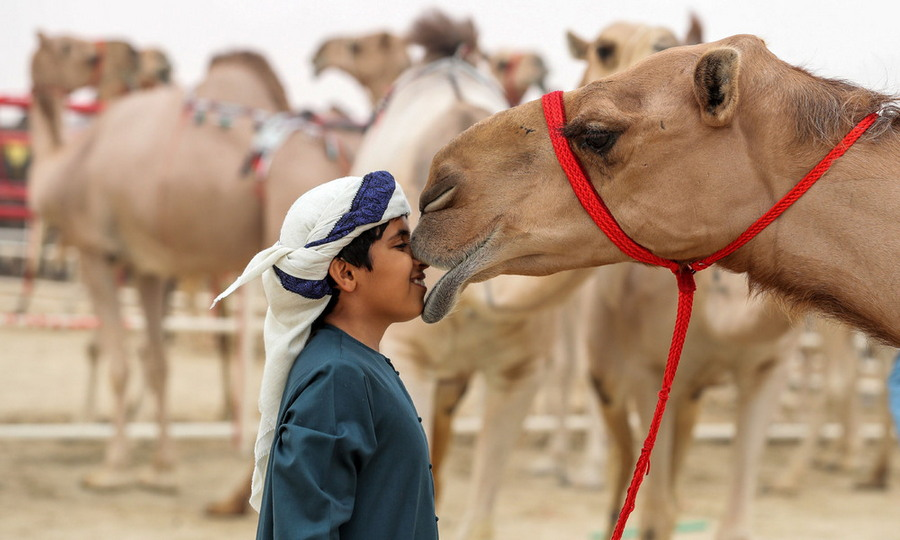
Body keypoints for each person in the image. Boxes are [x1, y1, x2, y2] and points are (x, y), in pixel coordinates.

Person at [212, 171, 438, 539]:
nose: (421, 260)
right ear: (346, 272)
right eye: (401, 246)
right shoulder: (338, 376)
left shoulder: (353, 365)